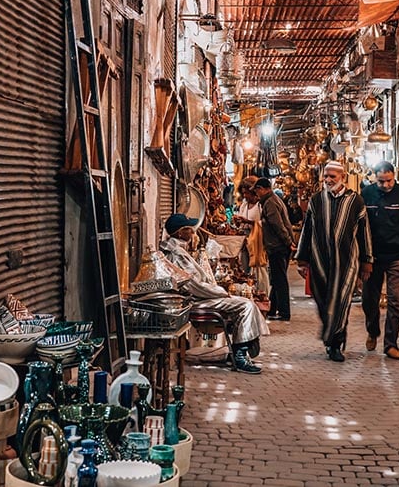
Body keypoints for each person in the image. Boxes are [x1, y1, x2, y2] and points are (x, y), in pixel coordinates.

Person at [159, 213, 267, 374]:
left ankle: (241, 350)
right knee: (245, 305)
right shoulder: (176, 254)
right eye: (189, 230)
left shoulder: (179, 250)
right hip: (193, 300)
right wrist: (220, 292)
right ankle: (240, 355)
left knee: (244, 302)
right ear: (180, 233)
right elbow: (194, 285)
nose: (193, 233)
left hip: (198, 296)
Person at [294, 160, 372, 362]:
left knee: (341, 302)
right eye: (326, 176)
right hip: (319, 260)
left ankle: (335, 343)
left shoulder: (356, 201)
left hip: (347, 262)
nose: (328, 180)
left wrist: (366, 261)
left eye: (332, 177)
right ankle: (332, 335)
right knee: (323, 301)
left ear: (342, 177)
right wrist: (302, 260)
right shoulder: (316, 200)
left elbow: (364, 233)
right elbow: (307, 230)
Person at [360, 160, 399, 361]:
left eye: (389, 181)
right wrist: (362, 258)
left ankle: (390, 344)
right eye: (381, 181)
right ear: (374, 178)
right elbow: (360, 229)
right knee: (369, 299)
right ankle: (372, 330)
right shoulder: (366, 195)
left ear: (394, 176)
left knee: (395, 301)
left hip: (398, 256)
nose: (385, 185)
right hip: (373, 257)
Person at [253, 177, 294, 321]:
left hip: (278, 246)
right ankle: (272, 309)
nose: (256, 194)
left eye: (257, 190)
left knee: (280, 280)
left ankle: (284, 312)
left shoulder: (270, 203)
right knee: (277, 279)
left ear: (263, 189)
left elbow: (278, 225)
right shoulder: (273, 200)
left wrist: (288, 242)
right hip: (279, 245)